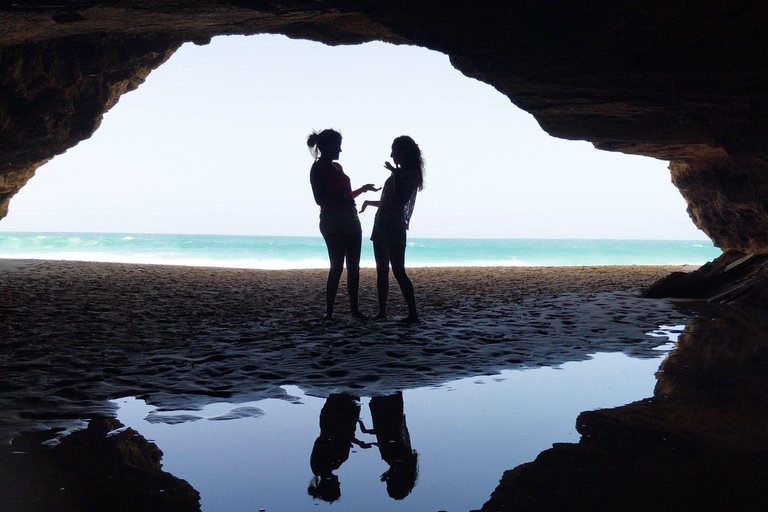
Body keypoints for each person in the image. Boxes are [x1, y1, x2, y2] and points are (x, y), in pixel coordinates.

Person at [308, 129, 378, 321]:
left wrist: (363, 190)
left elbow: (347, 196)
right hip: (333, 221)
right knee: (337, 266)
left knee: (354, 267)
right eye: (338, 145)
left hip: (351, 219)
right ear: (327, 147)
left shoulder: (338, 167)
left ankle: (355, 310)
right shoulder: (318, 169)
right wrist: (341, 198)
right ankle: (329, 311)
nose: (340, 150)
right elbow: (319, 199)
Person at [359, 136, 425, 323]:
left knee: (398, 271)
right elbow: (386, 202)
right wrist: (368, 202)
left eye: (394, 150)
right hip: (380, 223)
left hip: (395, 227)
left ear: (403, 152)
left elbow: (400, 200)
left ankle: (413, 313)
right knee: (381, 271)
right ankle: (382, 312)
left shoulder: (411, 174)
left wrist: (395, 175)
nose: (391, 155)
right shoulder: (398, 173)